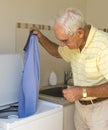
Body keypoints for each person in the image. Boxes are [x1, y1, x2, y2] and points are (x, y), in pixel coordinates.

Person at [33, 8, 108, 130]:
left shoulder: (104, 45)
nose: (63, 44)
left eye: (65, 40)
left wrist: (83, 92)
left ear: (80, 33)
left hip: (101, 110)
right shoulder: (74, 44)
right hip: (80, 108)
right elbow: (58, 52)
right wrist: (41, 38)